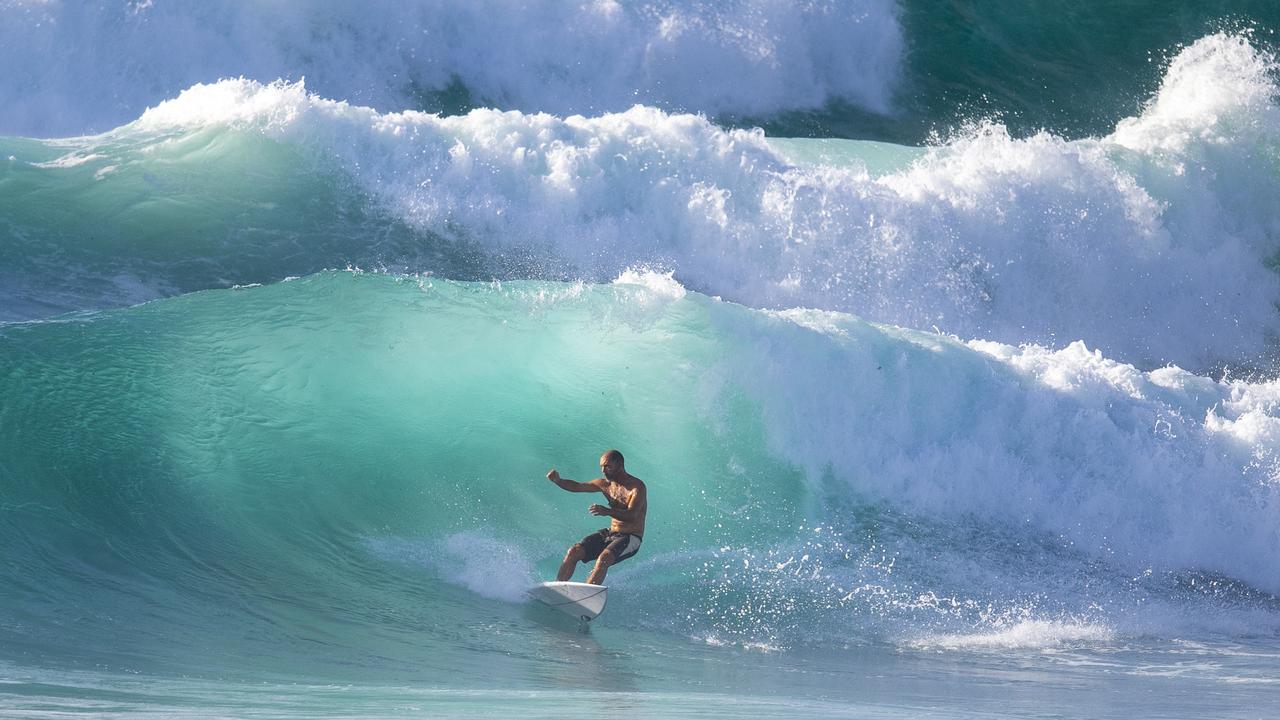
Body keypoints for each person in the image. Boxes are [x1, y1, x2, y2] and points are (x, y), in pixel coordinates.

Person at [546, 449, 647, 585]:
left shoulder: (636, 487)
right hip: (612, 534)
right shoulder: (606, 485)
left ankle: (585, 595)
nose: (604, 471)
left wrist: (607, 511)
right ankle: (556, 588)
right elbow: (578, 486)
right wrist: (558, 481)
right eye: (602, 467)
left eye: (608, 466)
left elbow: (632, 516)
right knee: (574, 551)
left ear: (620, 465)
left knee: (604, 558)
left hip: (631, 537)